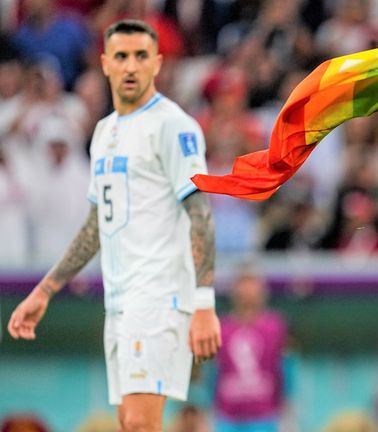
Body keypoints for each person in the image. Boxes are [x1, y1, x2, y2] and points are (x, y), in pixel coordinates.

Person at [7, 19, 221, 432]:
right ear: (104, 63)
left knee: (140, 424)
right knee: (129, 422)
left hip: (157, 297)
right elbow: (96, 223)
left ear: (157, 64)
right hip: (120, 302)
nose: (130, 66)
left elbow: (201, 213)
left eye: (141, 56)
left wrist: (204, 303)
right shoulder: (104, 132)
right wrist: (45, 290)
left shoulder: (173, 127)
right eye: (121, 56)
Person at [213, 270, 290, 432]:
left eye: (252, 288)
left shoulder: (275, 326)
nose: (247, 294)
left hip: (265, 416)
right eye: (243, 288)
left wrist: (287, 407)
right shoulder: (222, 328)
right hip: (227, 417)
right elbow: (213, 371)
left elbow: (286, 368)